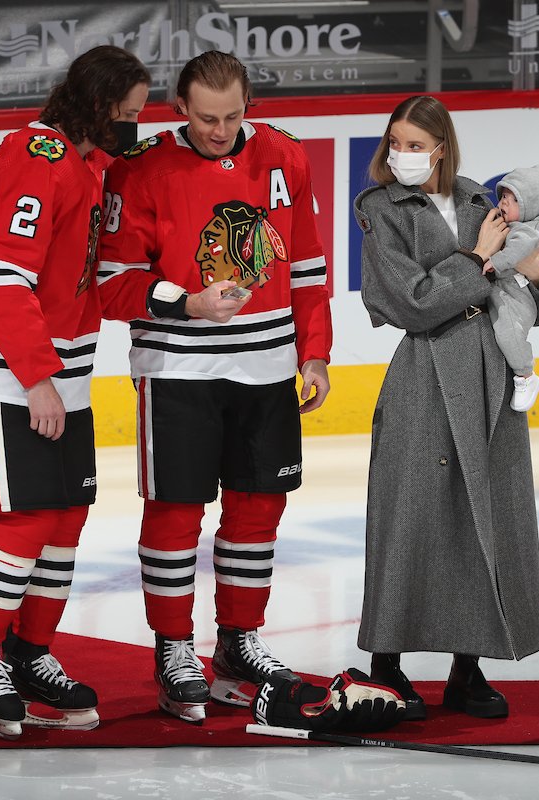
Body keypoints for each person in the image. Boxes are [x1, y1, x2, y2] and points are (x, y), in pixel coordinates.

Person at [0, 45, 150, 740]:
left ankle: (26, 653)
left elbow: (94, 284)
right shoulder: (37, 158)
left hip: (57, 372)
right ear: (99, 106)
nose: (136, 127)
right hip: (2, 368)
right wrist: (36, 377)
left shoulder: (87, 164)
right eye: (130, 114)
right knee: (21, 522)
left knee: (65, 520)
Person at [98, 50, 332, 724]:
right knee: (175, 512)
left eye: (232, 117)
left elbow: (310, 265)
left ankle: (238, 642)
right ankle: (174, 648)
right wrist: (188, 302)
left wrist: (313, 353)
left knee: (259, 510)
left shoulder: (286, 156)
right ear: (179, 106)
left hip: (266, 370)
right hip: (178, 370)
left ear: (248, 105)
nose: (220, 130)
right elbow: (113, 285)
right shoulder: (138, 167)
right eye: (206, 119)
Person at [352, 95, 539, 721]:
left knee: (486, 518)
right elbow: (409, 302)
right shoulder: (380, 210)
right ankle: (386, 665)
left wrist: (534, 270)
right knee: (408, 516)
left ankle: (466, 671)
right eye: (396, 143)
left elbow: (533, 301)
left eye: (415, 145)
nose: (401, 156)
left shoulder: (480, 201)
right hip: (423, 375)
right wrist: (474, 261)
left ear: (442, 147)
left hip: (490, 374)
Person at [484, 165, 539, 412]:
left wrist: (494, 262)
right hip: (508, 288)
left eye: (514, 199)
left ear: (532, 206)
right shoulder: (516, 225)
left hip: (517, 294)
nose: (504, 203)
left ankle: (526, 375)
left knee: (508, 332)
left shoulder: (527, 231)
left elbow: (518, 252)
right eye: (503, 196)